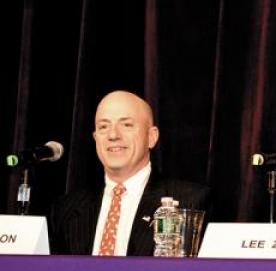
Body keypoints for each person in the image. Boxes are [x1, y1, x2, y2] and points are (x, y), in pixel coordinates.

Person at [49, 90, 209, 256]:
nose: (113, 135)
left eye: (126, 125)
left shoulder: (190, 201)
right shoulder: (65, 210)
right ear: (95, 138)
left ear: (151, 137)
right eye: (103, 127)